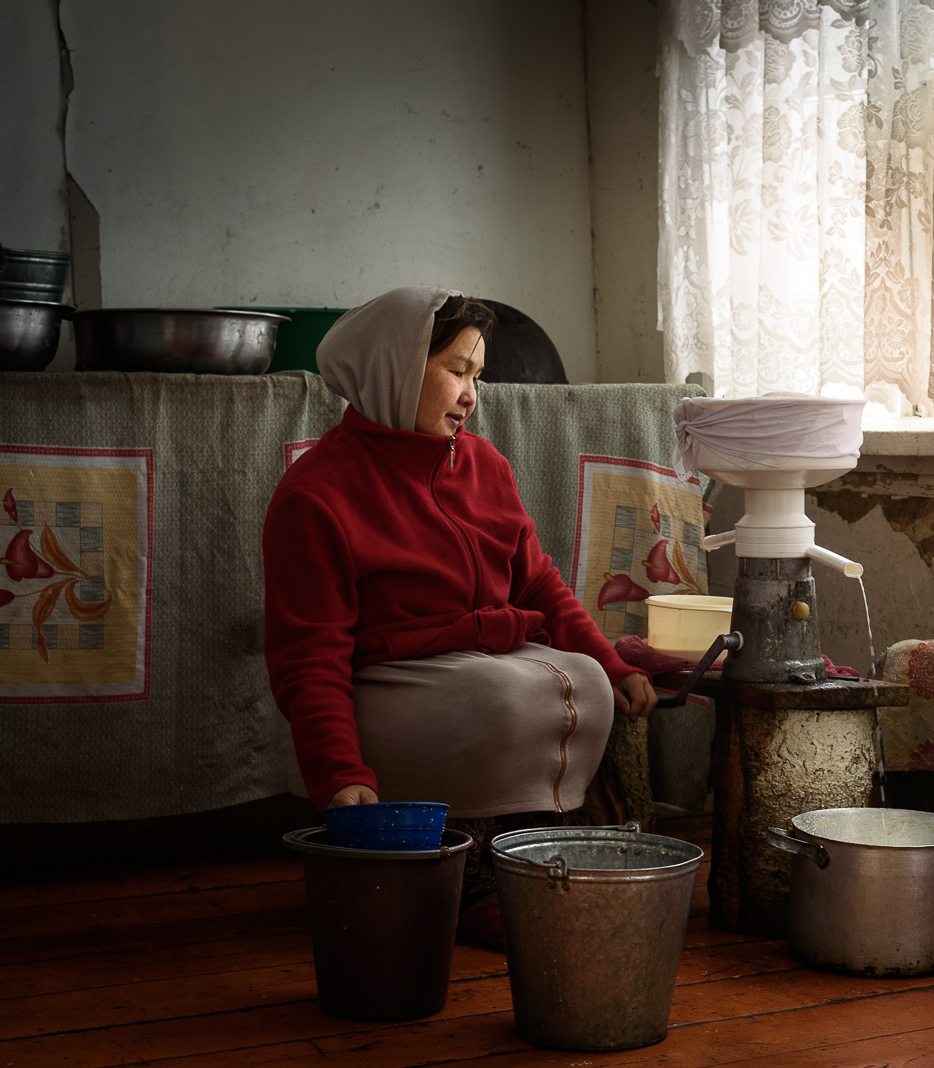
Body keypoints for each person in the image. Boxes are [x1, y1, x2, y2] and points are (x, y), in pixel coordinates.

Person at [262, 286, 656, 945]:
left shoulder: (483, 465)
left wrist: (611, 664)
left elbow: (540, 585)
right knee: (503, 696)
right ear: (393, 368)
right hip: (389, 686)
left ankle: (523, 851)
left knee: (583, 683)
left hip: (479, 667)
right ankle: (467, 864)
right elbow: (311, 654)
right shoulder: (318, 493)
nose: (472, 396)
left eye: (476, 375)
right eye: (455, 371)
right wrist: (341, 775)